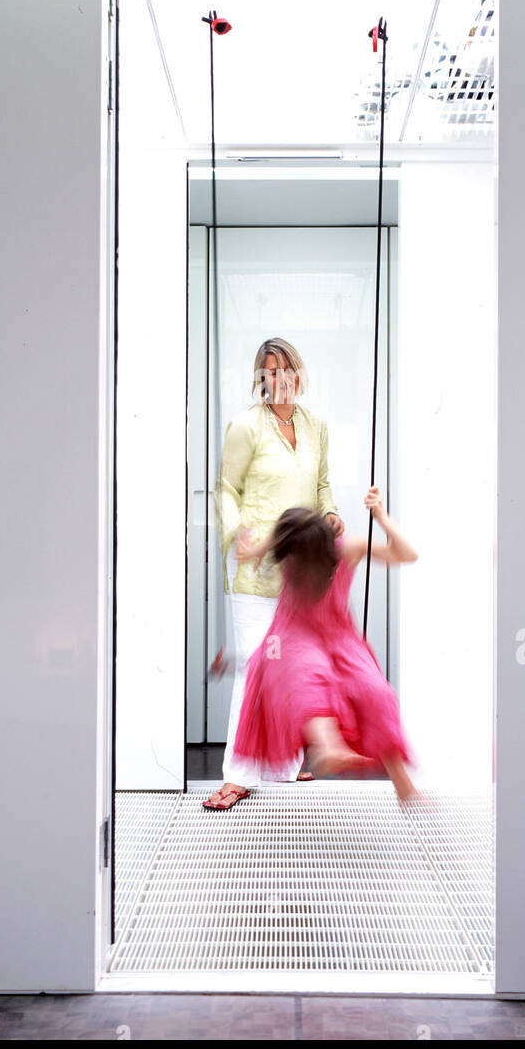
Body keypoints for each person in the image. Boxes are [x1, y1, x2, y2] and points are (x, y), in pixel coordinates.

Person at [202, 338, 345, 811]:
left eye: (288, 370)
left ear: (299, 375)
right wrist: (237, 531)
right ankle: (239, 775)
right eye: (270, 371)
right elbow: (226, 488)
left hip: (300, 567)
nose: (280, 379)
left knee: (291, 665)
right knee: (253, 665)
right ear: (260, 379)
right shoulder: (245, 426)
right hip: (255, 566)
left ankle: (283, 763)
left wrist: (331, 515)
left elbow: (322, 485)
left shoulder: (316, 426)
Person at [231, 487, 421, 806]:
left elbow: (407, 555)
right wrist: (248, 547)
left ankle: (405, 788)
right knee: (310, 674)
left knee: (376, 691)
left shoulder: (348, 549)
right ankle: (329, 747)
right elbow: (256, 548)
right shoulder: (289, 541)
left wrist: (382, 517)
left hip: (338, 635)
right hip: (290, 634)